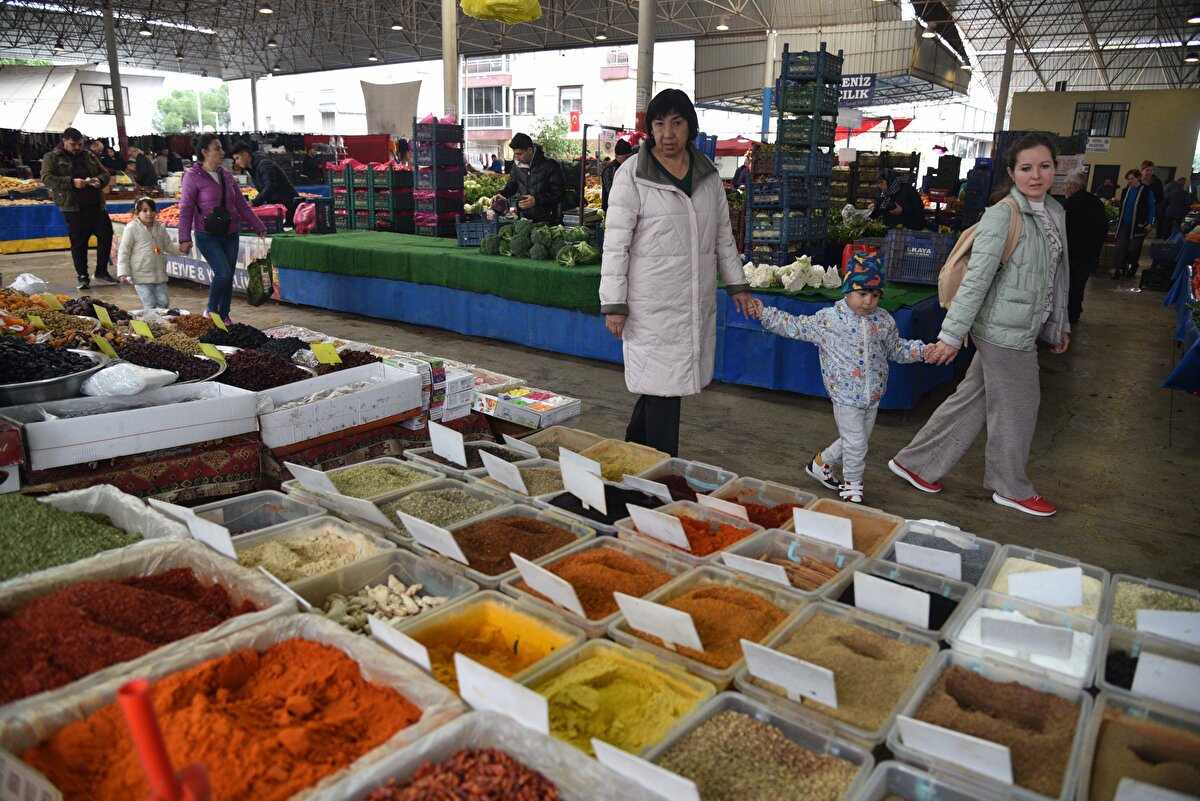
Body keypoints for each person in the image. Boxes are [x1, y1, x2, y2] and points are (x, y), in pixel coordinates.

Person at [887, 132, 1071, 517]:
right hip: (1003, 329)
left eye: (1044, 166)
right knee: (1020, 408)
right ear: (1011, 172)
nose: (1035, 175)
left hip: (1024, 325)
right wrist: (951, 336)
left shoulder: (1054, 212)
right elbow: (976, 279)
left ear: (1056, 168)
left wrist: (1059, 323)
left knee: (973, 399)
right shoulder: (1003, 214)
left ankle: (914, 463)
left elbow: (1057, 276)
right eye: (1026, 168)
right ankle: (1010, 486)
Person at [599, 88, 755, 457]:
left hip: (692, 299)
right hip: (649, 302)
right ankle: (663, 478)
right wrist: (614, 303)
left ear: (690, 127)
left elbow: (722, 236)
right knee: (663, 391)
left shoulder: (708, 176)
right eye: (659, 123)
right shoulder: (631, 175)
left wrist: (738, 286)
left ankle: (630, 459)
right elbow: (615, 243)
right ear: (649, 129)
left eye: (677, 123)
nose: (667, 133)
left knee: (660, 388)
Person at [749, 254, 927, 504]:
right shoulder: (829, 320)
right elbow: (794, 325)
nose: (869, 301)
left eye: (875, 295)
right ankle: (853, 485)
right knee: (856, 443)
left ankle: (821, 464)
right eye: (862, 293)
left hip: (873, 394)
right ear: (847, 290)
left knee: (856, 440)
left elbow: (896, 349)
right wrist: (764, 313)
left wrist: (922, 351)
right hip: (844, 395)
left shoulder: (884, 320)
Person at [177, 134, 266, 324]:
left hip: (231, 233)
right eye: (217, 148)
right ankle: (210, 310)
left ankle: (224, 315)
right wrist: (184, 237)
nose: (222, 152)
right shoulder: (192, 177)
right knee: (223, 273)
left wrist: (258, 226)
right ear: (205, 152)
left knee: (229, 276)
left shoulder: (226, 175)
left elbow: (241, 205)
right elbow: (186, 209)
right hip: (207, 235)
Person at [40, 127, 116, 290]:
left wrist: (99, 181)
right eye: (74, 144)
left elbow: (105, 174)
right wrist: (71, 182)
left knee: (106, 235)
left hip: (96, 205)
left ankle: (101, 271)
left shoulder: (89, 155)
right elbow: (47, 178)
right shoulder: (52, 157)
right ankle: (82, 275)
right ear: (65, 141)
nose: (77, 148)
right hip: (73, 207)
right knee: (79, 242)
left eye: (80, 144)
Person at [117, 197, 180, 310]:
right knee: (150, 305)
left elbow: (168, 246)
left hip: (159, 273)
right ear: (137, 213)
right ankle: (151, 325)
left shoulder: (160, 227)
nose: (149, 213)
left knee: (164, 303)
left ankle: (161, 325)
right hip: (141, 274)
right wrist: (123, 272)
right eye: (144, 210)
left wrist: (183, 249)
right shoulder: (131, 228)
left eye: (152, 210)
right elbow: (124, 251)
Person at [1062, 170, 1108, 324]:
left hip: (1071, 253)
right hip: (1089, 253)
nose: (1065, 188)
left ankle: (1069, 313)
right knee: (1080, 283)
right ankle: (1075, 311)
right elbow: (1104, 228)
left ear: (1074, 186)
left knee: (1068, 284)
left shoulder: (1070, 204)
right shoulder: (1096, 202)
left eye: (1067, 185)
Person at [491, 133, 566, 225]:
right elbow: (511, 185)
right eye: (515, 154)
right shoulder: (516, 167)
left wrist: (536, 200)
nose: (517, 158)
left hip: (548, 220)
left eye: (519, 154)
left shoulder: (550, 165)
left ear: (530, 150)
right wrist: (501, 194)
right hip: (524, 220)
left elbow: (559, 193)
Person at [228, 141, 299, 225]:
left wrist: (254, 202)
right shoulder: (252, 168)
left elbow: (270, 187)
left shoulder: (264, 164)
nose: (236, 162)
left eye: (237, 158)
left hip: (289, 208)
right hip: (280, 208)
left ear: (245, 155)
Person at [1112, 168, 1155, 279]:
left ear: (1138, 178)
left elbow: (1151, 207)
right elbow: (1122, 205)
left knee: (1132, 249)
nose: (1129, 181)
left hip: (1138, 226)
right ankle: (1118, 269)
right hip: (1124, 224)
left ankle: (1133, 264)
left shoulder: (1146, 191)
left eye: (1132, 179)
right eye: (1128, 179)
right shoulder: (1125, 191)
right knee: (1119, 248)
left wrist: (1150, 222)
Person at [601, 139, 634, 212]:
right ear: (616, 157)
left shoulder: (632, 167)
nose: (628, 160)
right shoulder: (609, 170)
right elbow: (611, 191)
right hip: (613, 209)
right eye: (625, 157)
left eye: (630, 157)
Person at [1140, 161, 1167, 239]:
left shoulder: (1157, 182)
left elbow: (1161, 196)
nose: (1149, 172)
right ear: (1142, 170)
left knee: (1144, 231)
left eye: (1151, 170)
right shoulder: (1137, 181)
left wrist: (1154, 201)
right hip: (1138, 209)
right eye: (1147, 170)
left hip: (1150, 209)